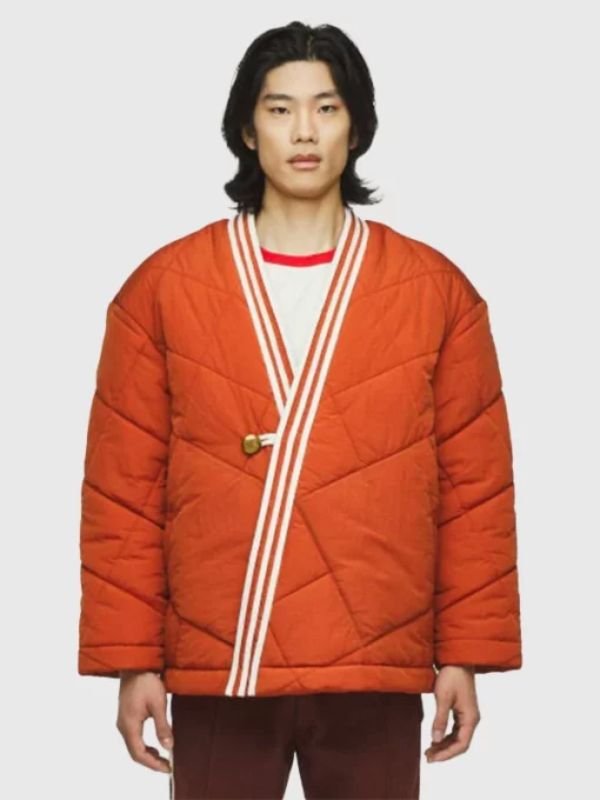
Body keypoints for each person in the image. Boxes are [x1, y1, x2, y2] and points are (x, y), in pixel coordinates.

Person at [77, 20, 523, 800]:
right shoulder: (163, 289)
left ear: (358, 126)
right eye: (280, 110)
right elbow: (125, 492)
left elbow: (474, 491)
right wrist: (132, 662)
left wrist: (464, 653)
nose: (305, 132)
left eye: (328, 107)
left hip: (376, 663)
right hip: (221, 663)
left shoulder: (435, 292)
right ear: (247, 130)